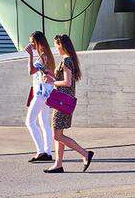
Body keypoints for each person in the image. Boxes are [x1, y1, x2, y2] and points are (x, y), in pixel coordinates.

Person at [43, 34, 94, 173]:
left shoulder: (66, 61)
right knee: (59, 133)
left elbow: (67, 82)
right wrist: (50, 76)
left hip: (62, 102)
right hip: (63, 101)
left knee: (57, 135)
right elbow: (65, 81)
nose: (55, 48)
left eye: (56, 45)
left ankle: (85, 154)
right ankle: (58, 164)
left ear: (62, 45)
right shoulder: (68, 60)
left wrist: (51, 82)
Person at [24, 31, 56, 163]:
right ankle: (47, 152)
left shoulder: (43, 56)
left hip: (40, 93)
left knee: (29, 121)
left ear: (38, 42)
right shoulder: (46, 55)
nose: (31, 44)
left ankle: (41, 151)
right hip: (46, 93)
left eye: (32, 42)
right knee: (44, 124)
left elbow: (31, 71)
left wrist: (30, 56)